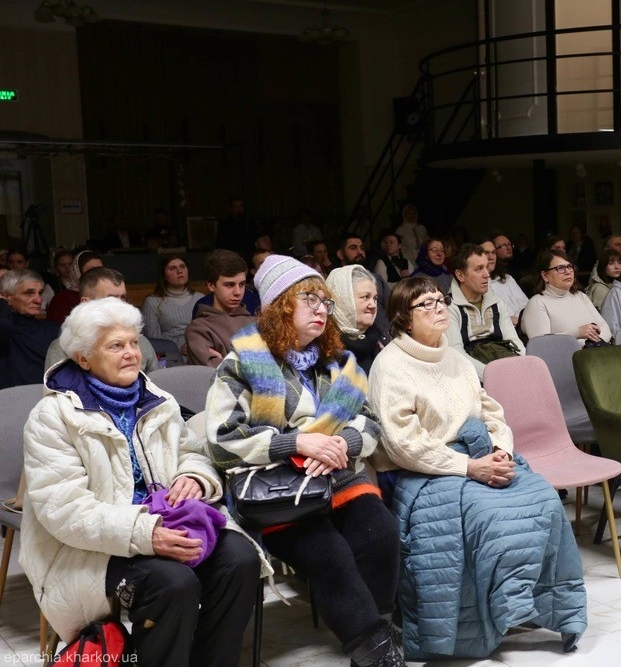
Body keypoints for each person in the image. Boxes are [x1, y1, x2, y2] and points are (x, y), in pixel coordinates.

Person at [21, 298, 264, 666]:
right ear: (83, 358)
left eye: (134, 342)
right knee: (173, 584)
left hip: (165, 522)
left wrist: (194, 477)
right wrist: (146, 533)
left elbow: (192, 452)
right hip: (91, 546)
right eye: (116, 345)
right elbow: (64, 510)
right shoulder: (52, 417)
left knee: (240, 561)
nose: (131, 353)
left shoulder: (157, 401)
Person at [367, 276, 587, 661]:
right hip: (426, 470)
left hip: (481, 453)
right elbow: (403, 444)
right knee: (490, 517)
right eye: (426, 304)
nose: (439, 308)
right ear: (403, 318)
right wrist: (470, 467)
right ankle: (501, 611)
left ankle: (545, 608)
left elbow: (491, 411)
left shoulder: (454, 358)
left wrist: (501, 450)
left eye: (440, 300)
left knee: (545, 500)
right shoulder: (390, 366)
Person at [205, 254, 403, 667]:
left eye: (325, 301)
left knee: (381, 533)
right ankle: (379, 654)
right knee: (329, 552)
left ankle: (375, 643)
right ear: (280, 306)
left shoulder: (339, 362)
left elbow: (370, 422)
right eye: (308, 299)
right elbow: (223, 441)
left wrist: (345, 442)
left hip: (338, 475)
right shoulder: (241, 362)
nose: (321, 309)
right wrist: (296, 443)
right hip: (278, 488)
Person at [45, 267, 161, 374]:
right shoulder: (62, 348)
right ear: (86, 303)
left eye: (123, 297)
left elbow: (156, 385)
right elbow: (58, 387)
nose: (120, 304)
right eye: (111, 299)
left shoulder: (140, 342)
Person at [445, 243, 524, 379]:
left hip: (506, 370)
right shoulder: (448, 307)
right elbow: (456, 354)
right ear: (460, 275)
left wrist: (524, 366)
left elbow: (514, 341)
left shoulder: (497, 303)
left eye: (487, 267)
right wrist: (492, 376)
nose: (487, 275)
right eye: (479, 269)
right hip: (472, 380)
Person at [522, 249, 611, 346]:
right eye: (560, 268)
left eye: (569, 266)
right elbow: (541, 344)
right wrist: (577, 333)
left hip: (596, 351)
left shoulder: (580, 296)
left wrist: (595, 343)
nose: (568, 271)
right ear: (545, 276)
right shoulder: (537, 302)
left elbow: (604, 327)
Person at [185, 250, 256, 367]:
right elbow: (214, 370)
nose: (238, 292)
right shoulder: (198, 329)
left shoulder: (255, 322)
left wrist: (226, 361)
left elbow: (276, 366)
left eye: (242, 284)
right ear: (211, 285)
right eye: (229, 285)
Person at [327, 264, 392, 374]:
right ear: (343, 299)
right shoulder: (328, 349)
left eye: (375, 298)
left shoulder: (380, 338)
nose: (373, 305)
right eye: (365, 297)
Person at [0, 269, 60, 389]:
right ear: (8, 297)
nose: (38, 300)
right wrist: (2, 303)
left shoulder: (54, 330)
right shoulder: (5, 331)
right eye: (29, 293)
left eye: (40, 293)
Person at [142, 254, 204, 353]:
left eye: (182, 266)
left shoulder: (200, 298)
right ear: (164, 275)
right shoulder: (152, 302)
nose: (179, 271)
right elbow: (153, 340)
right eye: (172, 268)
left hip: (199, 351)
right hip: (171, 355)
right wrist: (179, 348)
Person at [47, 251, 104, 325]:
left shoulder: (109, 294)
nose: (97, 274)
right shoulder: (61, 300)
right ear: (78, 271)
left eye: (101, 270)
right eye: (91, 270)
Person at [481, 238, 528, 326]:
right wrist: (509, 319)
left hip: (524, 325)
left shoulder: (507, 278)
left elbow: (526, 305)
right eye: (486, 253)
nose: (491, 257)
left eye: (493, 252)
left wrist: (520, 320)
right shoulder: (476, 285)